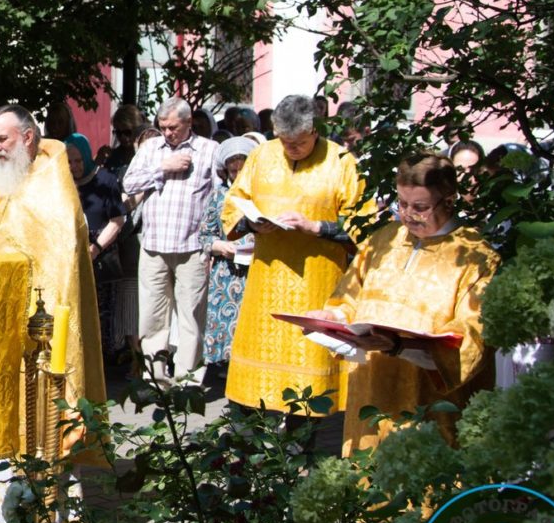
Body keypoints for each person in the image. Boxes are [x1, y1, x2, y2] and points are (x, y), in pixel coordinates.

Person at [302, 154, 497, 453]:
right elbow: (349, 297)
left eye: (420, 207)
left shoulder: (475, 256)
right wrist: (331, 319)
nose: (408, 215)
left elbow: (472, 342)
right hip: (370, 394)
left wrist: (399, 346)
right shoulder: (384, 241)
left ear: (448, 201)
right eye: (401, 204)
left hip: (430, 404)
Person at [221, 93, 366, 415]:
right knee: (255, 376)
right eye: (284, 141)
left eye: (298, 143)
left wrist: (317, 227)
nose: (290, 149)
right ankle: (250, 445)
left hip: (316, 281)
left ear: (315, 131)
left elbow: (363, 223)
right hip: (266, 283)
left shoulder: (341, 162)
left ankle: (303, 446)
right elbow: (233, 204)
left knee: (309, 375)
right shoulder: (261, 156)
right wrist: (252, 223)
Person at [0, 106, 106, 409]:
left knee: (40, 399)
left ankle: (51, 447)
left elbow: (58, 255)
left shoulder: (52, 186)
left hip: (41, 312)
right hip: (0, 300)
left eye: (2, 138)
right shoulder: (7, 178)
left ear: (28, 137)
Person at [123, 98, 220, 379]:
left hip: (192, 247)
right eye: (162, 127)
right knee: (153, 316)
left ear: (189, 124)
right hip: (153, 245)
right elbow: (128, 183)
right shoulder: (152, 148)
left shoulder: (208, 150)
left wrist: (211, 245)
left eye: (173, 127)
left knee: (190, 316)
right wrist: (163, 167)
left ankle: (187, 381)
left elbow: (218, 197)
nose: (167, 133)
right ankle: (155, 377)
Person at [199, 137, 255, 373]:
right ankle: (229, 369)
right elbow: (205, 234)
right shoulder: (218, 195)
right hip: (227, 272)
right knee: (227, 322)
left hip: (255, 268)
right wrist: (220, 246)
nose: (238, 169)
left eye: (242, 165)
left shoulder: (261, 194)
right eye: (233, 166)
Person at [67, 134, 126, 338]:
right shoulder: (63, 184)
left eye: (78, 160)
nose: (74, 166)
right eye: (69, 162)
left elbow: (117, 220)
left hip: (100, 252)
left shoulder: (105, 180)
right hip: (72, 254)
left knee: (102, 316)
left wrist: (95, 249)